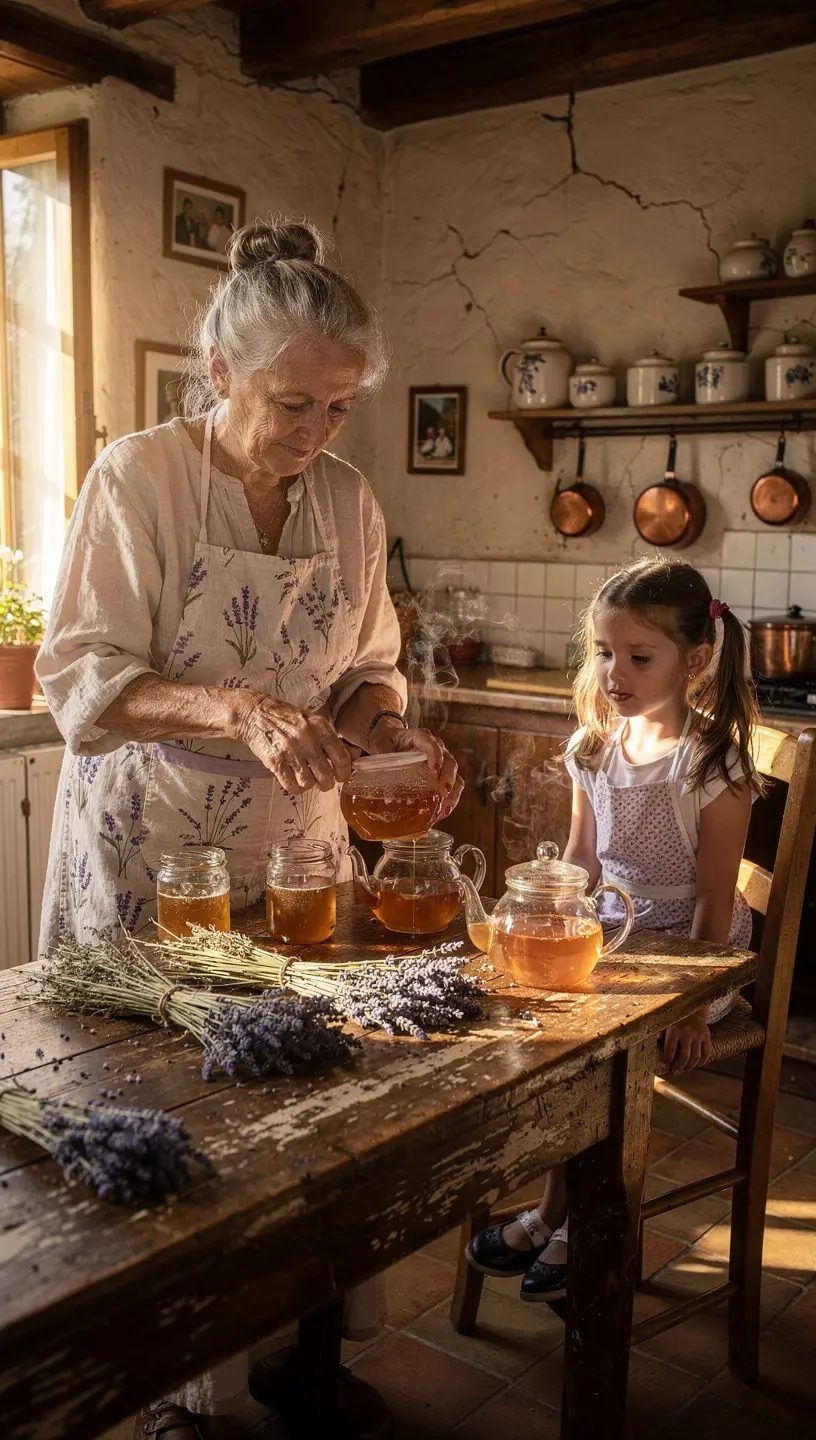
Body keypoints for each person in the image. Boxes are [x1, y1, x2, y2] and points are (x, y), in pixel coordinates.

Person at [37, 215, 462, 1440]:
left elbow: (372, 663)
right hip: (155, 843)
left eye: (337, 409)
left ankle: (307, 1352)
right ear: (218, 372)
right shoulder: (141, 477)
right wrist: (236, 704)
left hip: (298, 846)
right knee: (172, 1095)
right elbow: (82, 677)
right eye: (291, 405)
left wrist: (381, 720)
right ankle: (179, 1388)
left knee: (312, 1092)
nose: (314, 436)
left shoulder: (347, 498)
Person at [465, 557, 761, 1303]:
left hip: (696, 958)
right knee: (553, 1032)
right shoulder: (592, 749)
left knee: (594, 1052)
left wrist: (692, 1005)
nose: (613, 672)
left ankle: (562, 1221)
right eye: (602, 652)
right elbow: (580, 863)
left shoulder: (709, 766)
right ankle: (559, 1216)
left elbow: (716, 905)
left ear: (694, 661)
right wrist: (540, 923)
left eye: (637, 656)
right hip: (613, 938)